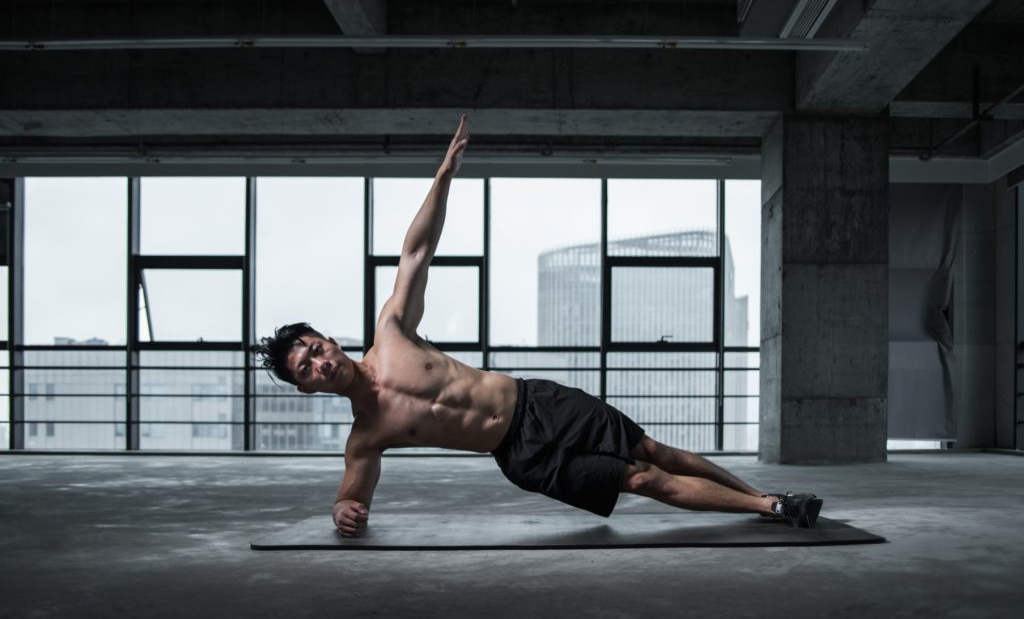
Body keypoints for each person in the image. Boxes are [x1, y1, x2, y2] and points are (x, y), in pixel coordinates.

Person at [256, 114, 823, 537]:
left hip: (540, 403)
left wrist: (445, 173)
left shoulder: (394, 333)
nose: (320, 363)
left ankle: (768, 500)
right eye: (306, 369)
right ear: (308, 388)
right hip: (522, 456)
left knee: (656, 451)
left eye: (314, 348)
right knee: (640, 478)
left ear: (327, 338)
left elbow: (416, 252)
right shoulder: (366, 436)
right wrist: (340, 511)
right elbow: (352, 496)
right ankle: (770, 506)